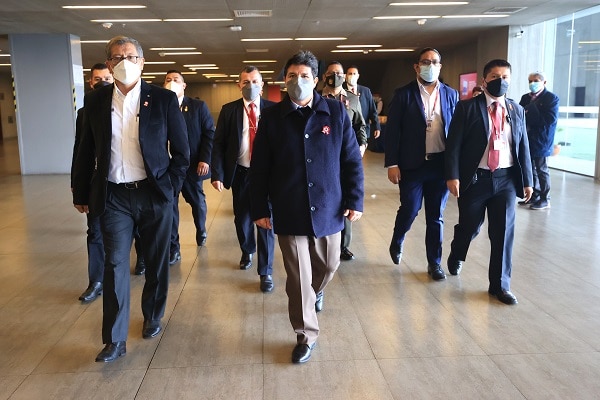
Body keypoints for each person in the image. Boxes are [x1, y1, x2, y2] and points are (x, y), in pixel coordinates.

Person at [72, 36, 189, 362]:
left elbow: (182, 152)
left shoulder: (163, 99)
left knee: (155, 260)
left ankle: (152, 314)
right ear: (109, 64)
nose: (124, 61)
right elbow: (84, 150)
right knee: (114, 264)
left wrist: (170, 188)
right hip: (114, 197)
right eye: (117, 57)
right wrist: (80, 191)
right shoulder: (96, 101)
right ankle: (115, 339)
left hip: (154, 194)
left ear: (142, 62)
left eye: (131, 56)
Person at [250, 50, 364, 364]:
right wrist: (259, 207)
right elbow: (260, 167)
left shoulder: (335, 112)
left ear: (315, 80)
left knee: (328, 265)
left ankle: (316, 292)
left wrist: (355, 199)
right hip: (289, 206)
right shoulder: (272, 116)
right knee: (299, 278)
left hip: (329, 206)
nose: (297, 81)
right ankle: (305, 335)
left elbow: (351, 160)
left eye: (304, 76)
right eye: (291, 76)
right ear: (283, 81)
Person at [445, 59, 533, 305]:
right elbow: (454, 145)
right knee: (470, 227)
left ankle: (500, 286)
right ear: (484, 81)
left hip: (506, 180)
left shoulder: (516, 110)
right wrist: (452, 175)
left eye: (505, 77)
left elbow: (523, 146)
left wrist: (528, 180)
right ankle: (457, 252)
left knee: (503, 233)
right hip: (476, 180)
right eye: (495, 76)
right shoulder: (467, 108)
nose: (500, 81)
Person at [72, 63, 146, 303]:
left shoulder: (132, 105)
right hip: (98, 185)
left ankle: (141, 258)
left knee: (136, 228)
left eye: (106, 77)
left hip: (128, 183)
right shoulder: (85, 112)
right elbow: (80, 151)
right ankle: (96, 281)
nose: (102, 82)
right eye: (97, 79)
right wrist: (78, 185)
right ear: (90, 82)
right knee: (94, 232)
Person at [384, 47, 459, 281]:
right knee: (410, 208)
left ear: (440, 66)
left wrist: (455, 169)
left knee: (436, 216)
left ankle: (434, 263)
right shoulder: (403, 94)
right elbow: (393, 131)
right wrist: (392, 163)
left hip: (440, 165)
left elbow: (456, 133)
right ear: (416, 67)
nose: (430, 66)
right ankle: (398, 239)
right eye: (425, 62)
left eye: (434, 62)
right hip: (412, 165)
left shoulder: (451, 94)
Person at [211, 66, 276, 293]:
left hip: (267, 175)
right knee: (243, 219)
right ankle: (247, 249)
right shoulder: (229, 110)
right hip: (241, 173)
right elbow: (218, 144)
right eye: (246, 82)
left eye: (255, 81)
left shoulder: (274, 110)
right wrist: (217, 174)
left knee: (266, 222)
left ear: (262, 84)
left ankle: (265, 272)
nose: (251, 85)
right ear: (239, 85)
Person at [163, 70, 215, 264]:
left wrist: (205, 159)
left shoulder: (197, 106)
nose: (172, 82)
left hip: (192, 166)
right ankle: (174, 249)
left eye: (176, 80)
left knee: (197, 202)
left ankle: (201, 228)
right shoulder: (160, 106)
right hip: (167, 168)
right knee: (170, 207)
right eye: (168, 80)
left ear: (184, 85)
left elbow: (209, 133)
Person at [320, 61, 366, 261]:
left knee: (347, 198)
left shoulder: (353, 99)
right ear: (324, 77)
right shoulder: (317, 98)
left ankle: (344, 245)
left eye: (339, 73)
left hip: (345, 156)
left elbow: (360, 125)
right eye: (331, 73)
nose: (335, 76)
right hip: (324, 156)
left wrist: (362, 144)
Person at [518, 72, 559, 210]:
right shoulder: (525, 98)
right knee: (530, 169)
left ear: (544, 82)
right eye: (530, 81)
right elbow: (520, 116)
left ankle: (545, 198)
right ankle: (534, 196)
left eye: (536, 80)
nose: (532, 83)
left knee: (541, 169)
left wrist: (530, 110)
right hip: (527, 139)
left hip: (542, 140)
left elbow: (549, 120)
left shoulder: (551, 98)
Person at [344, 65, 382, 139]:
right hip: (347, 131)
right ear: (346, 76)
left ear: (358, 76)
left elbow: (372, 110)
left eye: (354, 74)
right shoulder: (342, 91)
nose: (352, 76)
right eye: (350, 74)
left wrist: (377, 127)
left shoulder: (366, 91)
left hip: (363, 130)